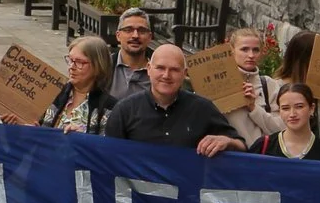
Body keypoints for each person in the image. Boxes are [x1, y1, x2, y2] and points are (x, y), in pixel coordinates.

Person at [101, 45, 239, 155]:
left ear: (184, 74)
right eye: (160, 68)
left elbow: (242, 147)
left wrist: (227, 141)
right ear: (149, 69)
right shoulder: (125, 110)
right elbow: (108, 156)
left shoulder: (203, 108)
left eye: (174, 70)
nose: (166, 75)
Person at [224, 26, 285, 146]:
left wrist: (253, 107)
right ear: (232, 51)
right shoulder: (219, 84)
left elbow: (282, 130)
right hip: (229, 156)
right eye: (244, 49)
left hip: (261, 157)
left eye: (256, 50)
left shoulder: (269, 85)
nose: (251, 55)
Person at [257, 82, 320, 164]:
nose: (292, 114)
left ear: (312, 108)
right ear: (279, 110)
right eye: (285, 108)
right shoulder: (262, 147)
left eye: (299, 107)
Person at [44, 37, 114, 133]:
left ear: (98, 66)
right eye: (70, 60)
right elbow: (43, 129)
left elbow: (104, 145)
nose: (71, 67)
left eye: (79, 62)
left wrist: (81, 138)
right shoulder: (57, 93)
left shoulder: (108, 107)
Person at [109, 8, 156, 101]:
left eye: (142, 31)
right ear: (118, 35)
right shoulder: (104, 67)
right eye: (128, 30)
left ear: (150, 37)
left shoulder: (159, 72)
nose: (135, 35)